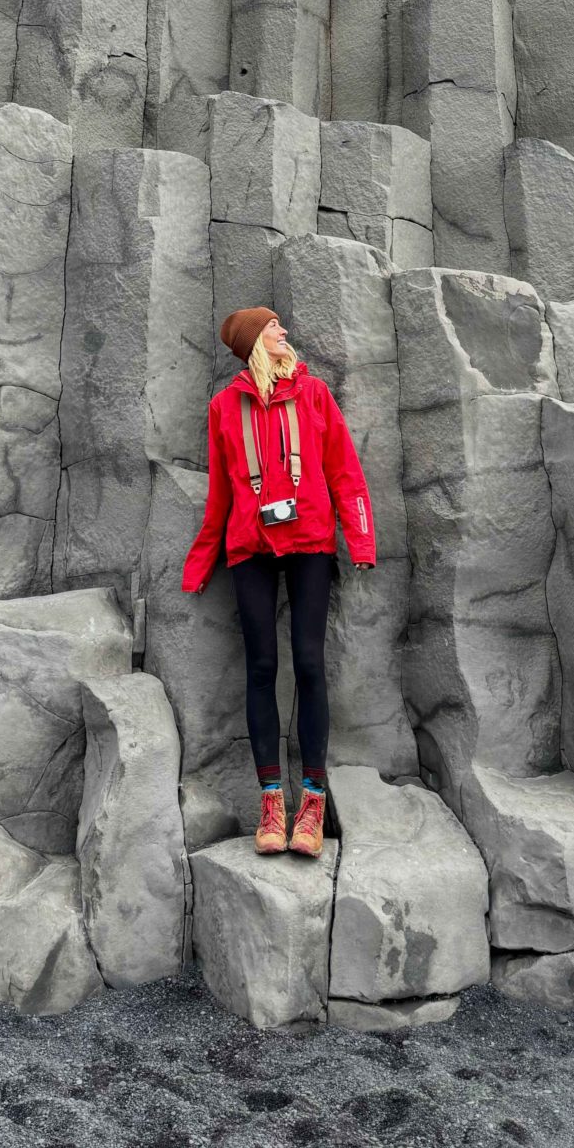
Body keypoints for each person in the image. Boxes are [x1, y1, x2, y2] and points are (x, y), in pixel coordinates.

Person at [181, 304, 378, 859]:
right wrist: (200, 565)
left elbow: (345, 472)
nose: (283, 332)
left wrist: (359, 541)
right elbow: (219, 495)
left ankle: (311, 800)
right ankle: (273, 799)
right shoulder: (224, 407)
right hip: (250, 549)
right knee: (262, 666)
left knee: (310, 662)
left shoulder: (313, 395)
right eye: (272, 328)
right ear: (253, 341)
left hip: (312, 543)